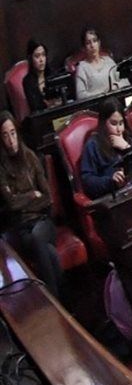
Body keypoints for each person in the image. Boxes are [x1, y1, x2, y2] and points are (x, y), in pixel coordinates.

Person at [0, 113, 61, 293]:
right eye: (5, 135)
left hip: (43, 221)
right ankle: (61, 299)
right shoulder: (1, 168)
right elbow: (11, 204)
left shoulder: (31, 157)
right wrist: (32, 195)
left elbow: (47, 197)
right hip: (22, 229)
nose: (11, 140)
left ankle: (54, 300)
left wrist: (25, 201)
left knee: (38, 237)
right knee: (47, 250)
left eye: (13, 133)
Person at [78, 98, 132, 199]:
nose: (118, 129)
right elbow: (87, 181)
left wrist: (127, 148)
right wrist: (110, 181)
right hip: (112, 197)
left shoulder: (126, 138)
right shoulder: (93, 144)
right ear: (103, 123)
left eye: (121, 123)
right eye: (113, 123)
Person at [73, 27, 122, 99]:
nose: (92, 45)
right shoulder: (82, 68)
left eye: (94, 41)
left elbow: (125, 81)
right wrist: (103, 93)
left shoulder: (109, 61)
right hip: (96, 105)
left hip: (116, 98)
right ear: (84, 48)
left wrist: (116, 86)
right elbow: (80, 96)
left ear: (99, 43)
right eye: (88, 43)